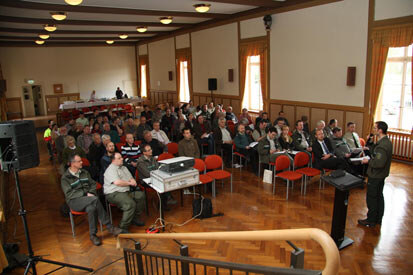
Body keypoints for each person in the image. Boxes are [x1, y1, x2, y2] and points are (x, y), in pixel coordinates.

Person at [61, 154, 122, 246]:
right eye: (79, 161)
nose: (82, 162)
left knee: (91, 208)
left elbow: (93, 184)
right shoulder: (65, 178)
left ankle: (92, 235)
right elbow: (69, 194)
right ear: (72, 164)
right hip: (74, 201)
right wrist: (85, 194)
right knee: (95, 199)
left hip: (89, 199)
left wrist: (91, 192)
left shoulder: (84, 172)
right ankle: (110, 227)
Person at [358, 121, 392, 227]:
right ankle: (377, 218)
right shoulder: (384, 141)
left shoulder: (383, 145)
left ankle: (371, 220)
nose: (374, 130)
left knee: (372, 197)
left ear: (380, 130)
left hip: (376, 174)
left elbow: (378, 162)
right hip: (381, 175)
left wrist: (367, 161)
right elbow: (375, 153)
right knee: (378, 196)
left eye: (375, 128)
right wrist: (371, 143)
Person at [104, 152, 146, 233]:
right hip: (114, 193)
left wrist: (132, 181)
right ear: (113, 161)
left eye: (121, 157)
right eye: (119, 158)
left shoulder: (124, 168)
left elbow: (131, 178)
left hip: (125, 191)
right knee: (130, 204)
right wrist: (130, 183)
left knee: (140, 196)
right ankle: (122, 227)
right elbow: (117, 183)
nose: (122, 159)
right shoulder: (110, 170)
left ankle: (134, 218)